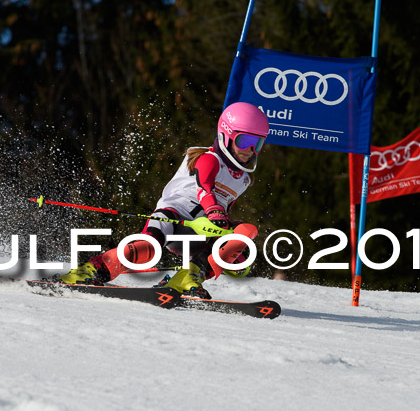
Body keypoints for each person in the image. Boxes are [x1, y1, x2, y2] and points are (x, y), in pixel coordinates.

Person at [54, 102, 269, 298]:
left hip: (200, 231)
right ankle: (89, 271)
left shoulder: (243, 179)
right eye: (245, 141)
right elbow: (205, 188)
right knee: (147, 250)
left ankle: (187, 278)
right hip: (173, 218)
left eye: (257, 144)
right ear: (225, 136)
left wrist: (231, 251)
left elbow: (224, 212)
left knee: (248, 230)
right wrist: (213, 211)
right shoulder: (208, 158)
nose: (250, 150)